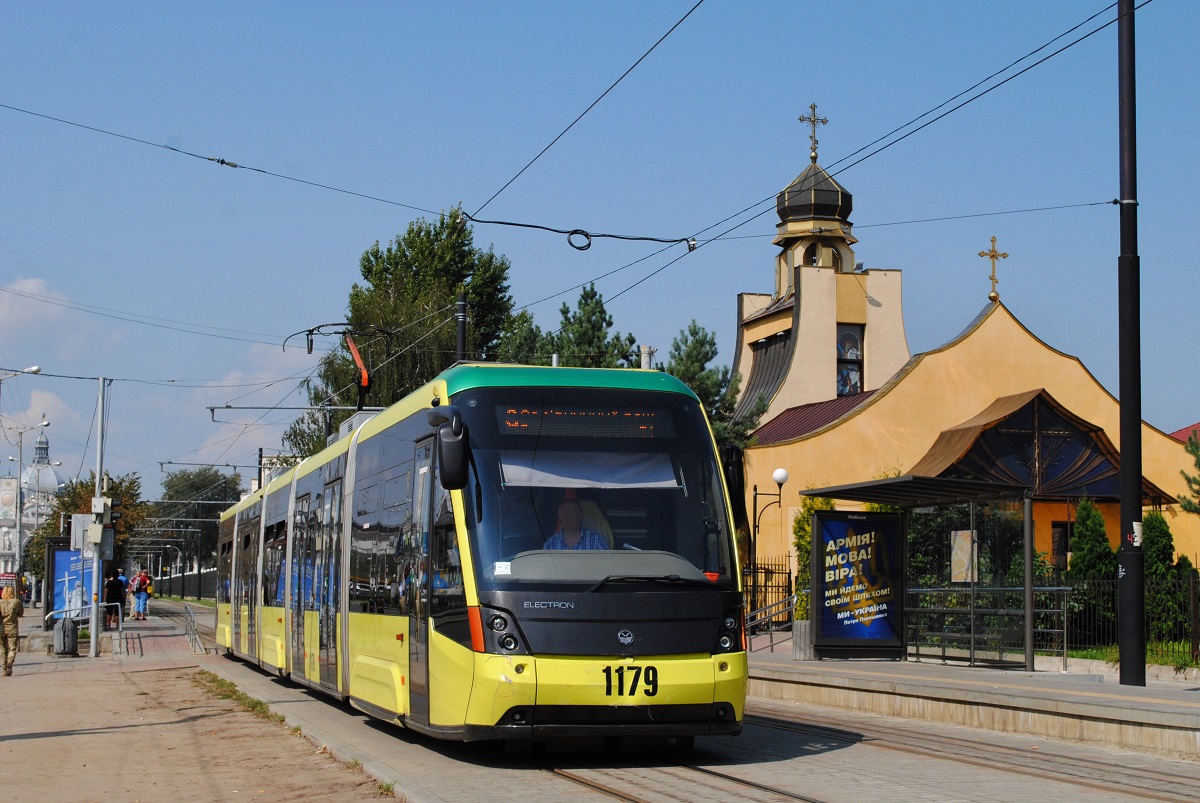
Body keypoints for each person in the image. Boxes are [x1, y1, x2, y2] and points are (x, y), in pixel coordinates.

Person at [543, 499, 608, 551]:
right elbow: (544, 566)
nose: (569, 517)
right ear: (559, 516)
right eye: (565, 513)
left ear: (580, 515)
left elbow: (608, 563)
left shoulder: (596, 540)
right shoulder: (550, 544)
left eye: (573, 513)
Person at [0, 586, 23, 676]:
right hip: (12, 628)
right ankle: (10, 661)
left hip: (1, 628)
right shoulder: (16, 602)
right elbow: (21, 613)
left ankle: (4, 668)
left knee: (2, 649)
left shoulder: (0, 603)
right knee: (12, 648)